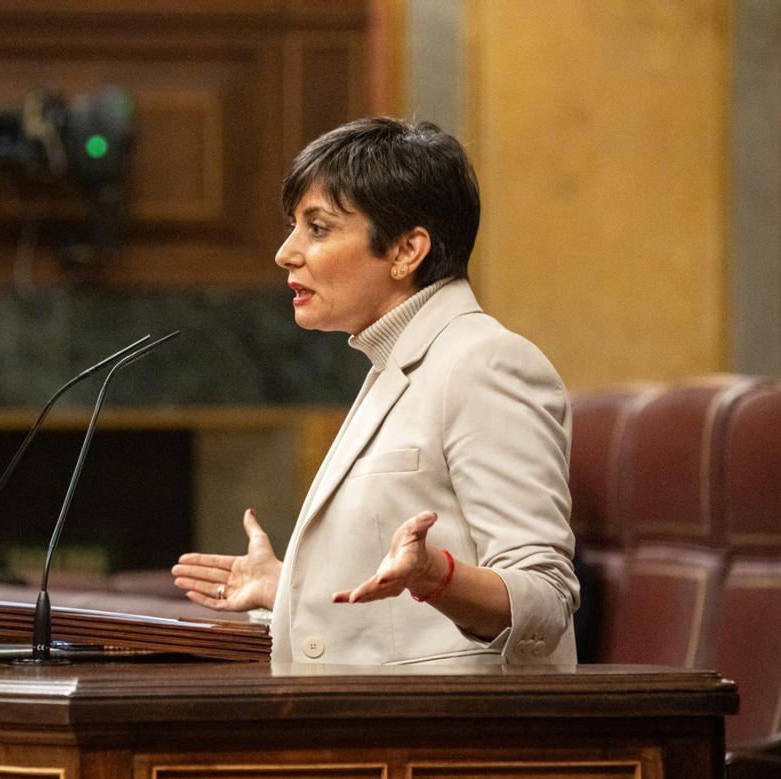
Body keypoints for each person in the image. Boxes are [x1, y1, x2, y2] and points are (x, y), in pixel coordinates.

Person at [171, 117, 579, 665]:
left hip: (446, 740)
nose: (285, 253)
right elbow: (391, 611)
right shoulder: (395, 365)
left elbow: (546, 596)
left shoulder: (484, 362)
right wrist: (288, 587)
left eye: (317, 228)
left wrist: (439, 577)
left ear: (407, 250)